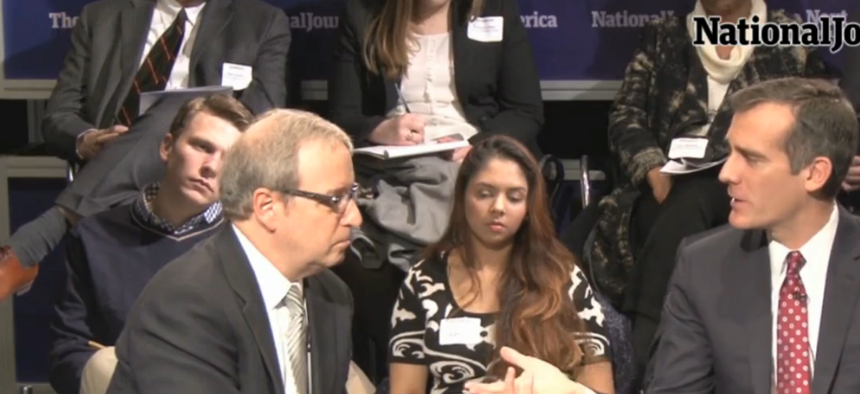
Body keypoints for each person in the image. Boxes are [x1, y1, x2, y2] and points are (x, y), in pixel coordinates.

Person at [567, 0, 835, 375]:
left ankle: (645, 357)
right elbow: (626, 115)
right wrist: (653, 169)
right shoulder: (663, 33)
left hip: (750, 188)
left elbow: (818, 122)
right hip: (661, 188)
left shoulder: (789, 40)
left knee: (692, 200)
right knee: (671, 206)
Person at [0, 0, 291, 301]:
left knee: (183, 108)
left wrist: (199, 120)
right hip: (117, 188)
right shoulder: (103, 16)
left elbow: (263, 120)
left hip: (198, 182)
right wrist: (87, 139)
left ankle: (34, 242)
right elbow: (58, 116)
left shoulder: (261, 22)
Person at [327, 0, 543, 379]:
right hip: (390, 165)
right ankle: (410, 367)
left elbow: (525, 111)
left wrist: (479, 144)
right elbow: (342, 116)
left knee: (462, 191)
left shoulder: (494, 11)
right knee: (352, 244)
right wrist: (380, 129)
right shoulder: (365, 15)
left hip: (471, 159)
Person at [106, 109, 361, 394]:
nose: (355, 217)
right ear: (267, 207)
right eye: (336, 199)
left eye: (353, 195)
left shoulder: (332, 295)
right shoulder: (185, 302)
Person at [645, 77, 860, 393]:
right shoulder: (703, 265)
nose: (726, 173)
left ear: (815, 173)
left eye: (752, 158)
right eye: (731, 153)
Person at [48, 95, 253, 394]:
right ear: (167, 147)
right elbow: (67, 353)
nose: (211, 166)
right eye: (202, 147)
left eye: (229, 158)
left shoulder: (250, 245)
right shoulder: (94, 238)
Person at [387, 136, 614, 394]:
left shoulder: (563, 277)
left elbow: (599, 390)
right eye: (484, 194)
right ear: (462, 196)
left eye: (514, 197)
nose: (498, 207)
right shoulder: (423, 279)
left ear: (529, 207)